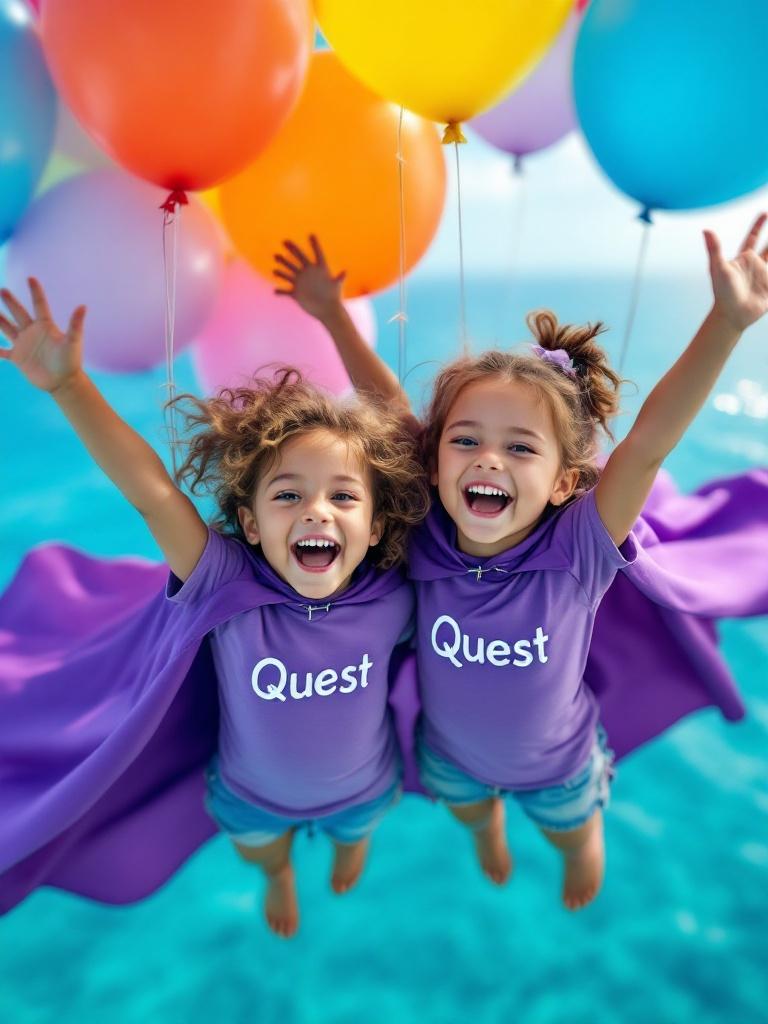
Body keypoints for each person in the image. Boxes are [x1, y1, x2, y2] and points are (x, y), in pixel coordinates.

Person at [272, 216, 768, 910]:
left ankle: (577, 856)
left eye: (521, 448)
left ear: (567, 481)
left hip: (560, 768)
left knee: (574, 839)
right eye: (465, 439)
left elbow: (648, 445)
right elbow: (386, 402)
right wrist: (332, 314)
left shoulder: (580, 548)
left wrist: (727, 323)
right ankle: (487, 834)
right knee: (471, 811)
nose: (488, 460)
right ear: (435, 458)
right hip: (448, 757)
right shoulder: (425, 529)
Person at [0, 279, 429, 936]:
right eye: (288, 496)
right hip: (251, 799)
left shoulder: (392, 590)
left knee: (354, 833)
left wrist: (336, 321)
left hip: (366, 786)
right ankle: (279, 876)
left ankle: (348, 851)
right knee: (264, 854)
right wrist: (69, 387)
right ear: (251, 526)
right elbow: (152, 495)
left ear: (374, 526)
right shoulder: (224, 582)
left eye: (344, 497)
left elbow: (403, 439)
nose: (316, 509)